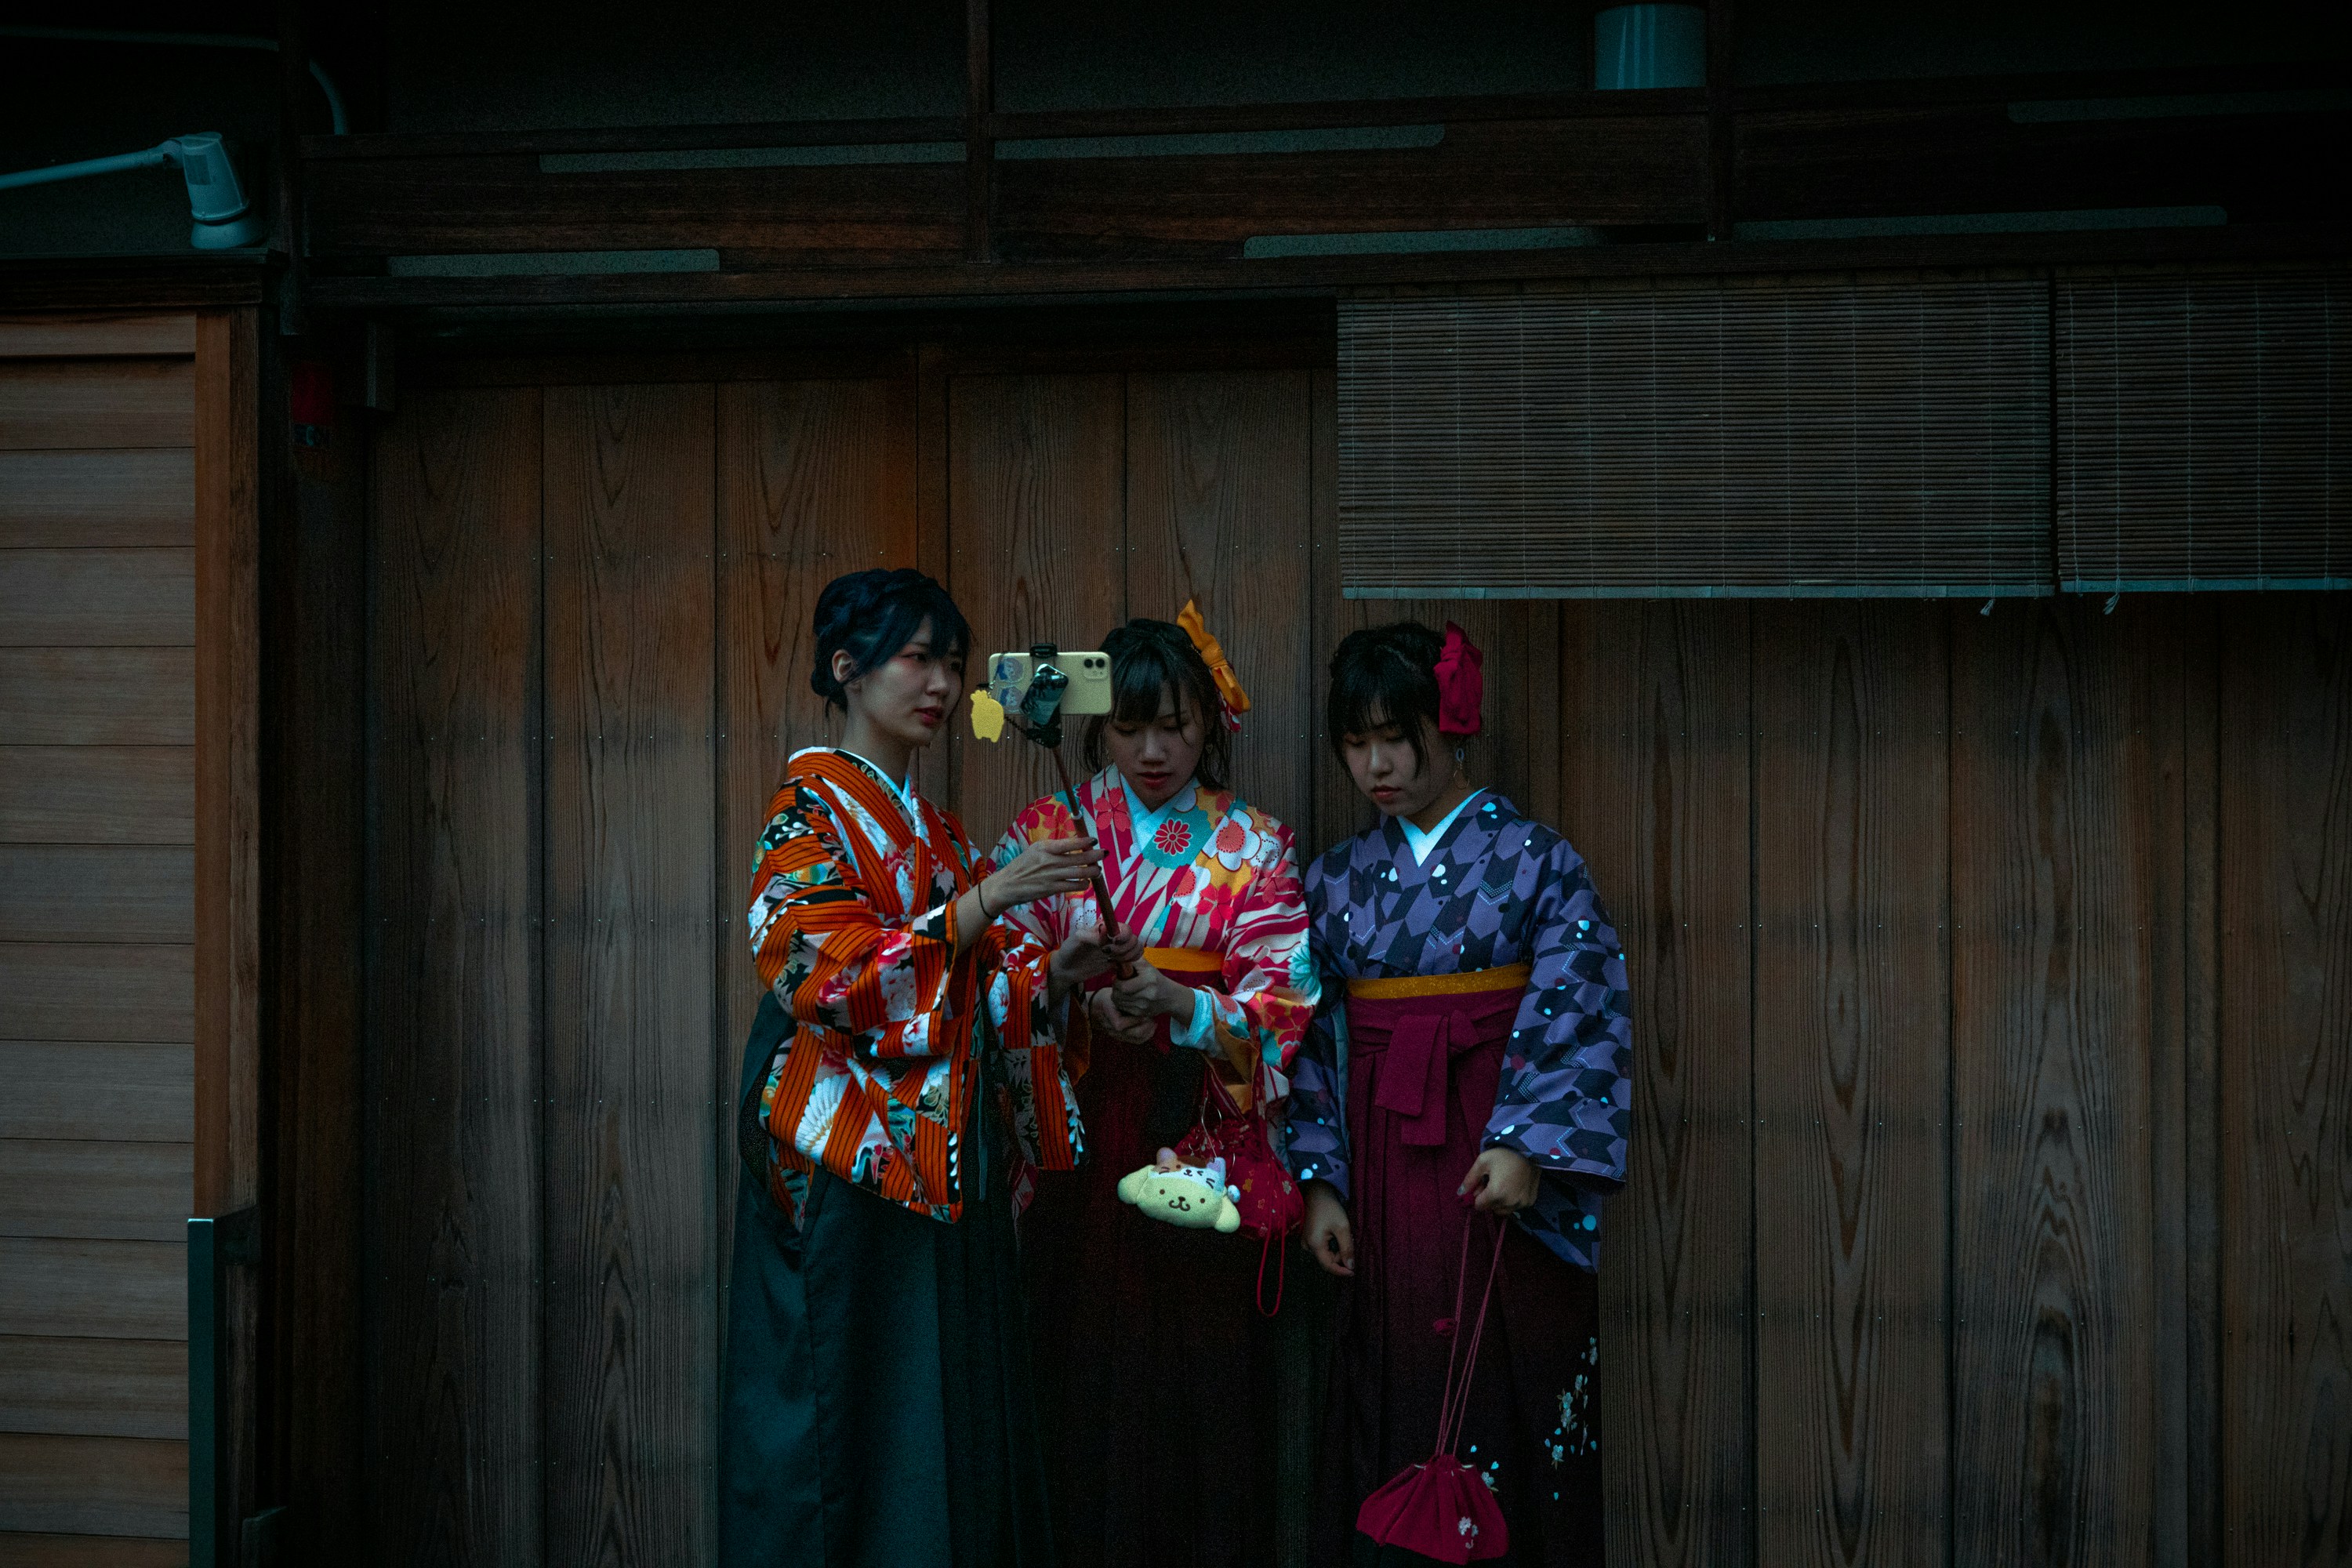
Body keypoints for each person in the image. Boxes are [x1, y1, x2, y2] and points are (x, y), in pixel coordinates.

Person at [718, 568, 1127, 1568]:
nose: (940, 681)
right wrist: (988, 899)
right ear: (847, 669)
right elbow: (830, 971)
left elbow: (967, 981)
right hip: (843, 1148)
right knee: (840, 1404)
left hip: (944, 1161)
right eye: (916, 657)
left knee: (943, 1404)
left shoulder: (931, 828)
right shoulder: (807, 814)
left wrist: (1049, 980)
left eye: (951, 660)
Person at [1287, 620, 1632, 1567]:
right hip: (1385, 1164)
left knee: (1509, 1373)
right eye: (1356, 743)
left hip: (1499, 1154)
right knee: (1393, 1372)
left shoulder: (1534, 859)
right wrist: (1321, 1181)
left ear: (1452, 725)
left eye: (1398, 737)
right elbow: (1307, 1030)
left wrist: (1529, 1142)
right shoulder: (1337, 882)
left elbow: (1580, 994)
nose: (1378, 765)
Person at [990, 611, 1315, 1568]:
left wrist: (1183, 1002)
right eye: (1129, 728)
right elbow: (999, 969)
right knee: (1079, 1358)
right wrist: (1063, 984)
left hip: (1198, 1123)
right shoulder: (1050, 828)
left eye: (1176, 724)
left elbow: (1284, 1000)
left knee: (1201, 1375)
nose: (1154, 749)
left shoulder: (1253, 844)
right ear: (1097, 730)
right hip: (1080, 1122)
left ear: (1209, 724)